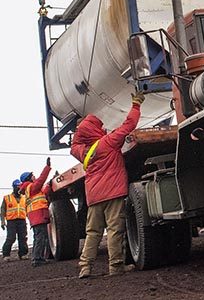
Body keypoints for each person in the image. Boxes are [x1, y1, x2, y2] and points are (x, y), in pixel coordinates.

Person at [71, 91, 144, 278]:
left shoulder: (82, 151)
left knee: (93, 232)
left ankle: (85, 267)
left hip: (94, 196)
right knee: (114, 230)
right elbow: (129, 125)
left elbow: (75, 144)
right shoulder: (109, 142)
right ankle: (116, 267)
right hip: (113, 193)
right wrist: (136, 104)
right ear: (95, 129)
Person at [19, 158, 52, 267]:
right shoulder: (31, 187)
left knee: (39, 238)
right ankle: (37, 259)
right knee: (40, 238)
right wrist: (47, 168)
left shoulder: (31, 189)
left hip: (37, 217)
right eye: (32, 175)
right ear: (28, 178)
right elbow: (40, 181)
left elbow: (43, 192)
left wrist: (50, 184)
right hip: (38, 216)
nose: (34, 176)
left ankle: (38, 258)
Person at [0, 179, 28, 261]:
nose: (19, 188)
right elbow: (2, 211)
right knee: (11, 238)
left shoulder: (24, 198)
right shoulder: (7, 198)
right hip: (11, 221)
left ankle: (23, 254)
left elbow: (27, 209)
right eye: (17, 187)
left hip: (22, 220)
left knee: (23, 238)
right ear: (13, 187)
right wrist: (2, 221)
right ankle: (6, 254)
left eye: (20, 186)